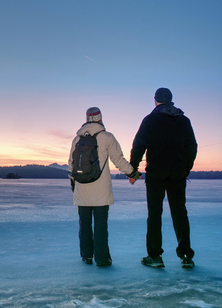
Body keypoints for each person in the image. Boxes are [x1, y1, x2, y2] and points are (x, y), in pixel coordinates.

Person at [129, 87, 198, 269]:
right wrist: (185, 169)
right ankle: (186, 256)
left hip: (156, 174)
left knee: (154, 214)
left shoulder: (150, 120)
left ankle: (155, 256)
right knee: (180, 213)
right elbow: (192, 147)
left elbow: (138, 145)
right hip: (177, 174)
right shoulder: (183, 121)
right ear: (171, 100)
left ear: (155, 100)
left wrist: (132, 169)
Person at [68, 107, 139, 267]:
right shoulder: (107, 137)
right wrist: (132, 173)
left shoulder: (76, 140)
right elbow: (118, 160)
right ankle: (102, 258)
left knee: (84, 223)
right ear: (100, 119)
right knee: (101, 223)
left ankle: (86, 256)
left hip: (81, 188)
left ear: (86, 119)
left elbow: (71, 164)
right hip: (101, 189)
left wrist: (73, 183)